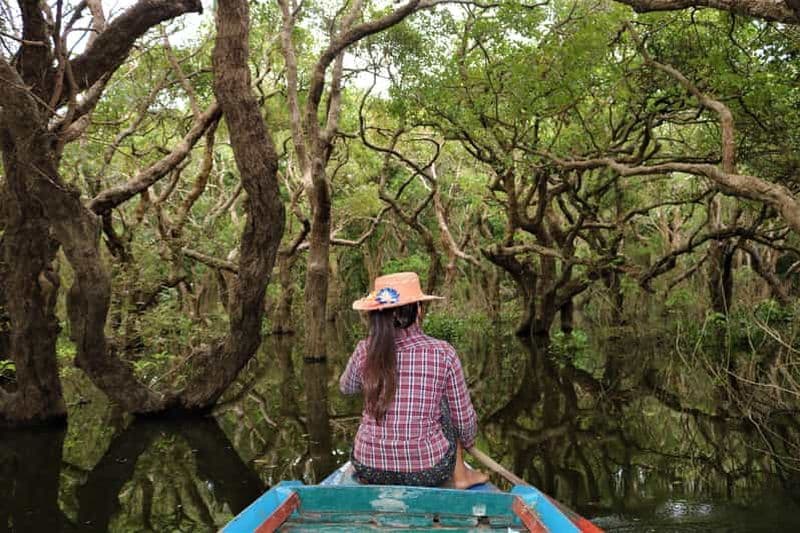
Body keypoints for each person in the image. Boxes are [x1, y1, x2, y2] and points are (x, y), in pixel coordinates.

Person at [339, 272, 489, 488]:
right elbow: (464, 421)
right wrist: (468, 442)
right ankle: (462, 475)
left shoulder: (365, 349)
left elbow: (346, 387)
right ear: (418, 310)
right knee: (447, 406)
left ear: (376, 314)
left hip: (369, 468)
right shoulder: (443, 353)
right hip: (426, 471)